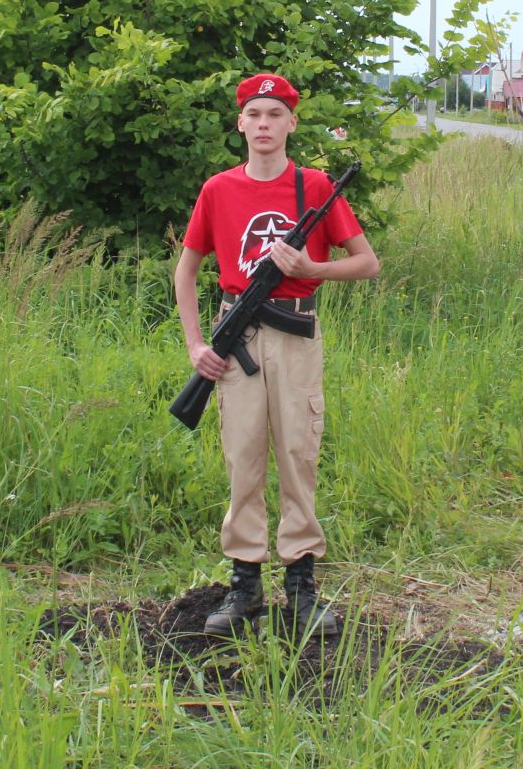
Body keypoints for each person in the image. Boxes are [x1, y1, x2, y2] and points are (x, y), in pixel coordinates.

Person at [175, 73, 380, 637]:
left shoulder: (314, 188)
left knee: (297, 452)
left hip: (294, 335)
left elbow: (367, 263)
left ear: (291, 123)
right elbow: (186, 271)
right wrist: (197, 344)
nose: (264, 124)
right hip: (234, 332)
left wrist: (313, 270)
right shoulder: (218, 189)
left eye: (275, 114)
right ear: (241, 123)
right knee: (243, 457)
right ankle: (244, 587)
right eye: (255, 114)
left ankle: (301, 587)